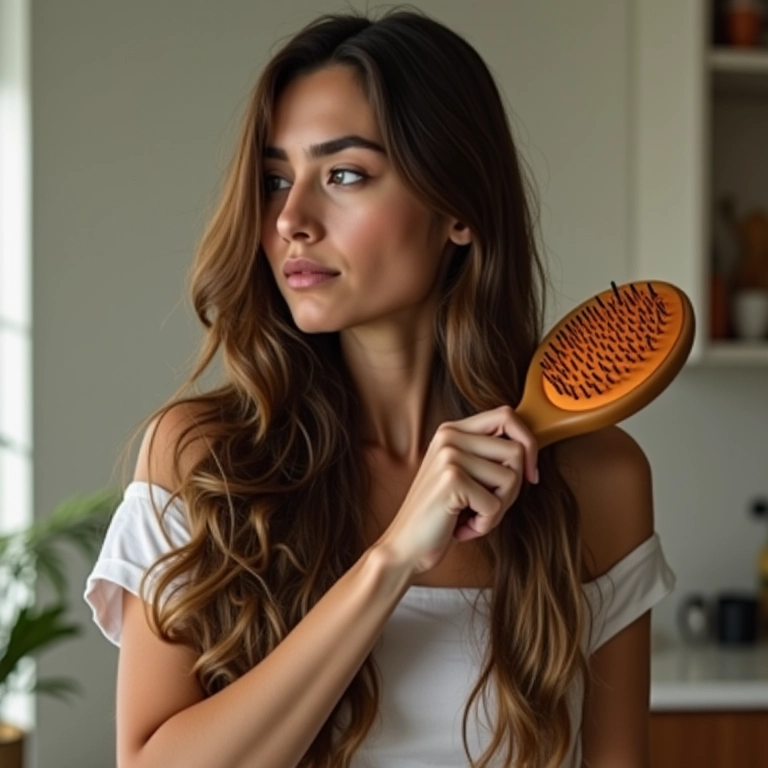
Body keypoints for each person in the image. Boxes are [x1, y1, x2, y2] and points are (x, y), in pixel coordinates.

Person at [84, 8, 676, 768]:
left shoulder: (599, 482)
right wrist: (393, 559)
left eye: (345, 174)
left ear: (457, 209)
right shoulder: (201, 462)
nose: (291, 218)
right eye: (274, 179)